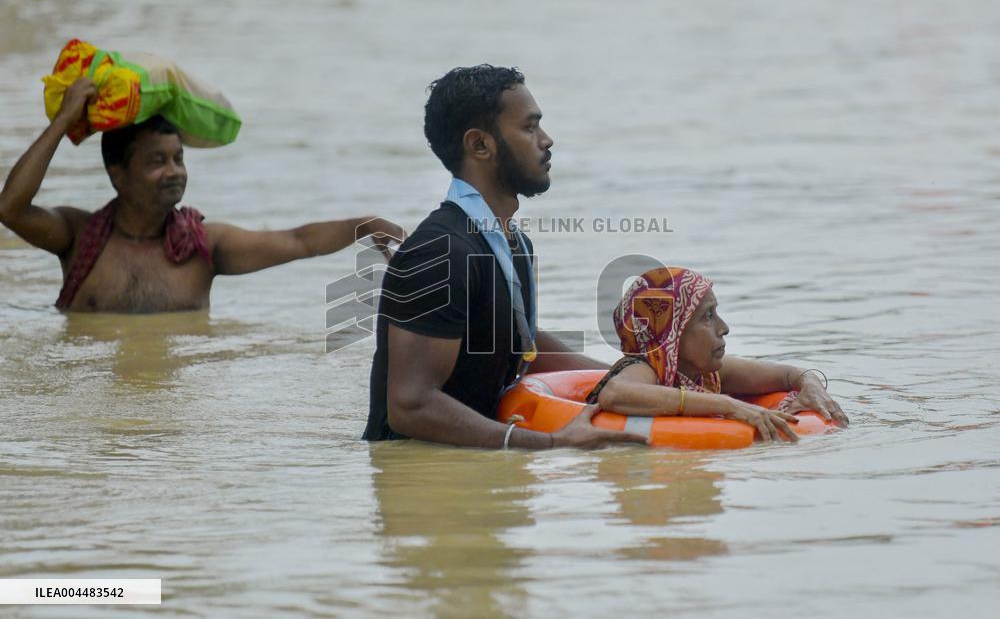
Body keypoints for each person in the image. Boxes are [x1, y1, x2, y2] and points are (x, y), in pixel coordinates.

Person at [363, 64, 646, 449]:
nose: (547, 140)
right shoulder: (440, 253)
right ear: (480, 145)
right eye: (529, 128)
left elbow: (517, 343)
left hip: (478, 469)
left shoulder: (513, 242)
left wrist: (626, 375)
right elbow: (410, 408)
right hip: (418, 483)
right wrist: (550, 444)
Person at [0, 78, 404, 313]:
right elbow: (10, 208)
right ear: (117, 174)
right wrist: (64, 121)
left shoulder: (201, 246)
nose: (174, 171)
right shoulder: (78, 235)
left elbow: (298, 241)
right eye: (157, 161)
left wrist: (363, 226)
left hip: (179, 432)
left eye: (178, 158)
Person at [587, 266, 850, 442]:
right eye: (707, 317)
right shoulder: (642, 367)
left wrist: (811, 384)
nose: (724, 328)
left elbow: (789, 375)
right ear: (671, 332)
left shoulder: (706, 374)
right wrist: (730, 405)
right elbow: (615, 393)